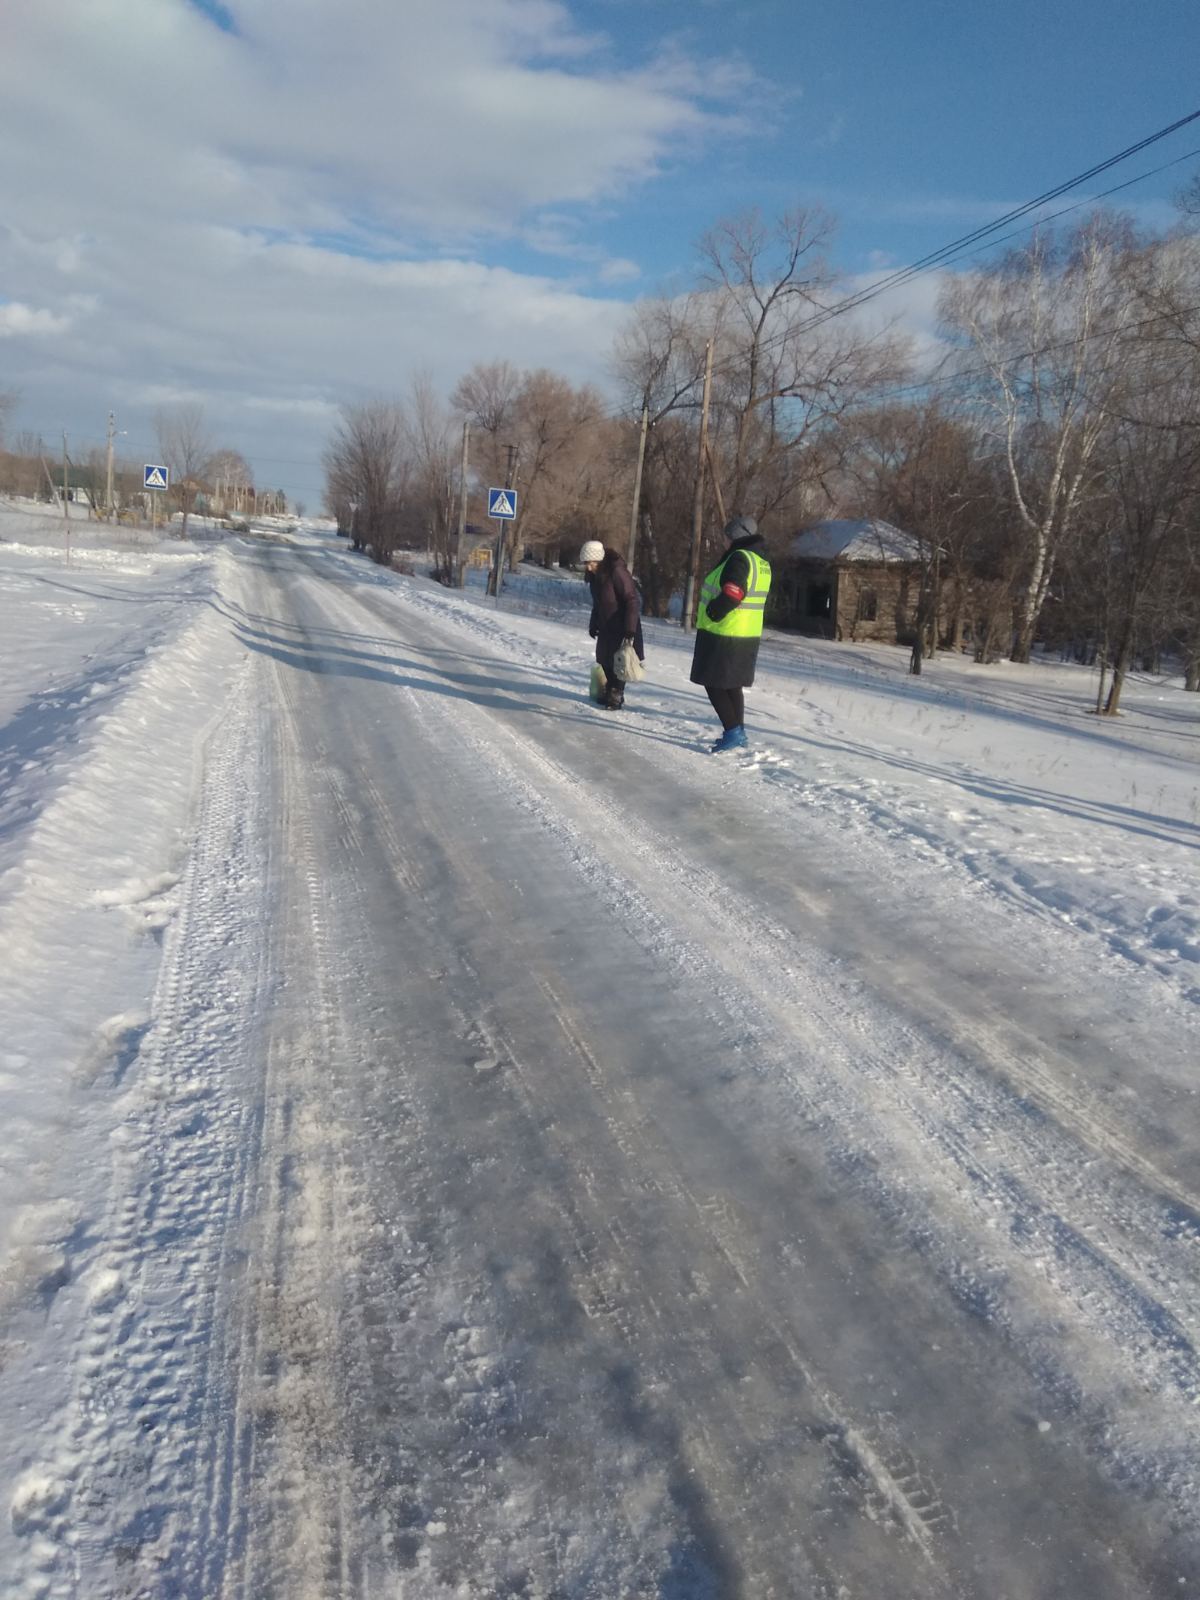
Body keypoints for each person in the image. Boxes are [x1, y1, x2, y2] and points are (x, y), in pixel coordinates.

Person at [689, 514, 772, 752]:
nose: (724, 541)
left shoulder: (739, 558)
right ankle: (738, 731)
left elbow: (734, 592)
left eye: (726, 537)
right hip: (747, 634)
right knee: (732, 685)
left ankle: (733, 731)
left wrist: (715, 611)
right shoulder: (761, 561)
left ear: (736, 537)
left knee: (712, 682)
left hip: (725, 631)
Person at [580, 539, 644, 709]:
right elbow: (598, 602)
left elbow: (632, 599)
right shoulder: (595, 577)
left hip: (623, 624)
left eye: (590, 563)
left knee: (621, 661)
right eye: (585, 563)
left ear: (599, 560)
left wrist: (630, 629)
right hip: (606, 624)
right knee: (604, 659)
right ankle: (610, 689)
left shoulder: (617, 571)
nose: (588, 567)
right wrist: (593, 623)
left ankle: (616, 694)